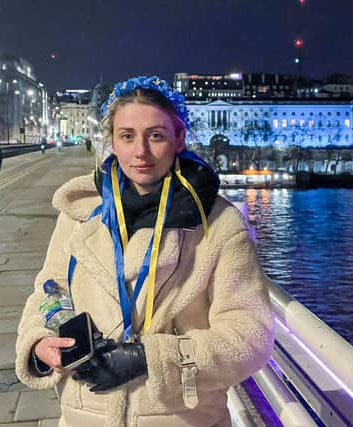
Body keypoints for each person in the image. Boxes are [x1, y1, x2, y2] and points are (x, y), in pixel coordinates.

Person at [15, 76, 274, 427]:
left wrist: (149, 359)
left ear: (178, 138)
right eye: (127, 136)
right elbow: (49, 289)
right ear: (113, 142)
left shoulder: (220, 223)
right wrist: (40, 342)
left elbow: (249, 338)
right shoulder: (81, 214)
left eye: (155, 135)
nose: (141, 152)